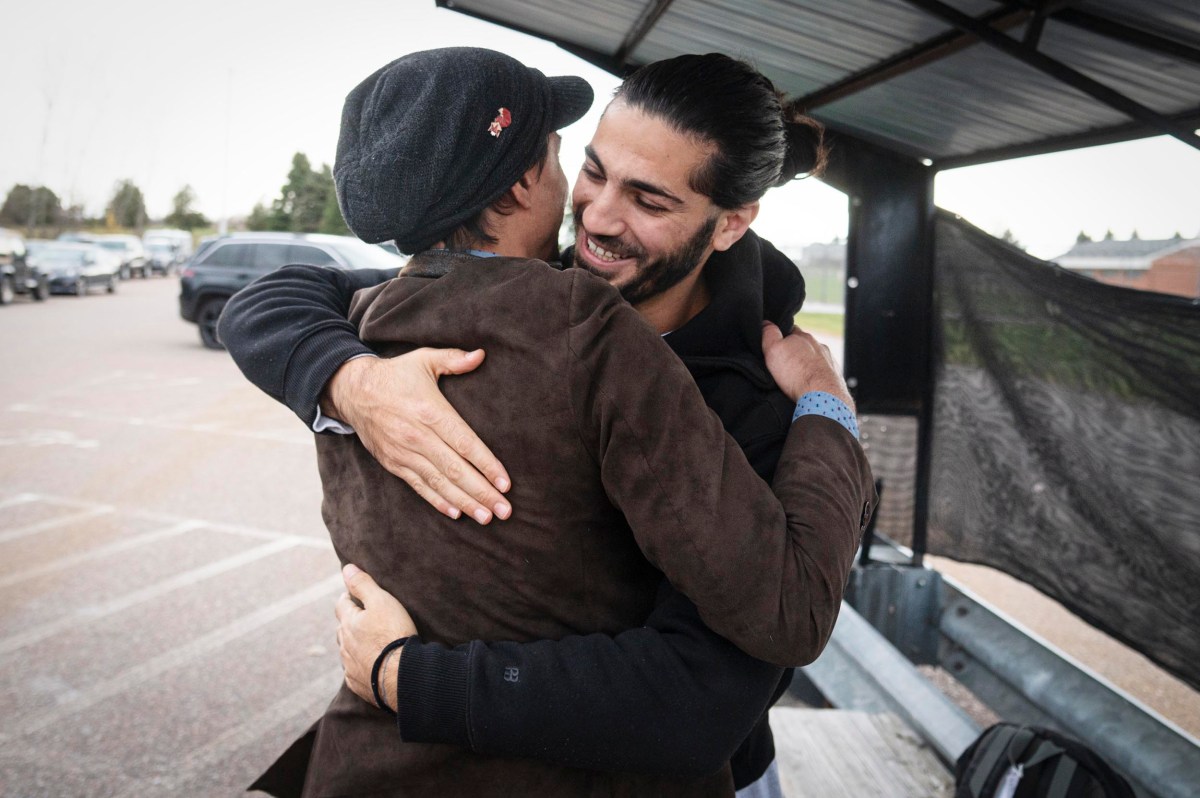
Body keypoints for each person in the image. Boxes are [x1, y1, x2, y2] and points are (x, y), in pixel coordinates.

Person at [225, 51, 875, 797]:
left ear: (730, 224)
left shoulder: (759, 404)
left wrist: (405, 676)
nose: (597, 217)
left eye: (649, 201)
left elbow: (700, 704)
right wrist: (352, 380)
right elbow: (280, 297)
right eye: (593, 170)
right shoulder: (512, 299)